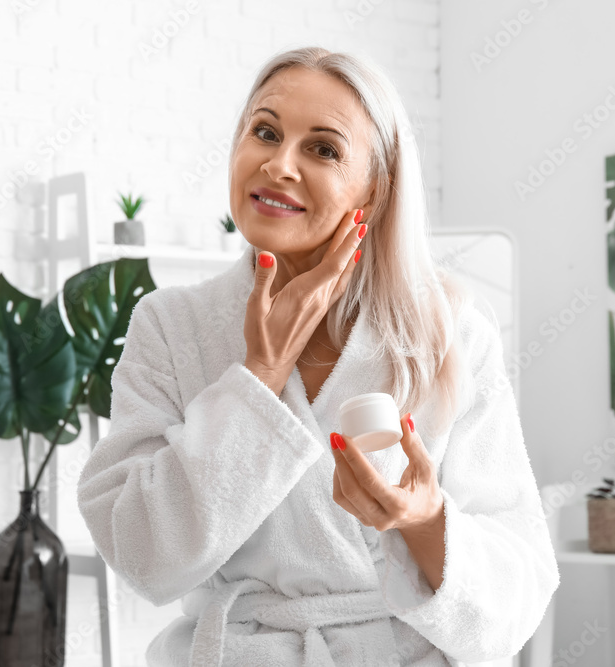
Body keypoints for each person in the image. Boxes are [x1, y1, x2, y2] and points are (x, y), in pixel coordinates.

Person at [77, 46, 559, 666]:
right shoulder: (171, 326)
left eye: (323, 148)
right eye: (265, 132)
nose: (278, 164)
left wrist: (424, 520)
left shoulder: (450, 333)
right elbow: (141, 552)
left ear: (375, 190)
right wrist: (259, 378)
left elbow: (520, 582)